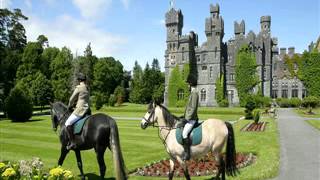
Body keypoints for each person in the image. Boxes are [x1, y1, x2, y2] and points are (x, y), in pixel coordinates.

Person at [65, 73, 90, 150]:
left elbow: (71, 99)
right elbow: (83, 99)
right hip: (87, 109)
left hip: (80, 110)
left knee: (67, 123)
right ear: (85, 80)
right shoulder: (87, 87)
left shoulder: (79, 87)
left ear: (79, 80)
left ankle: (72, 142)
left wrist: (69, 105)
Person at [182, 74, 199, 161]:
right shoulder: (192, 93)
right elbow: (188, 107)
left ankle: (187, 154)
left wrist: (187, 118)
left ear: (191, 84)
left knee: (184, 133)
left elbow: (193, 108)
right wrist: (183, 116)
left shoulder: (195, 93)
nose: (187, 85)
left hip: (192, 119)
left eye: (188, 84)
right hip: (189, 118)